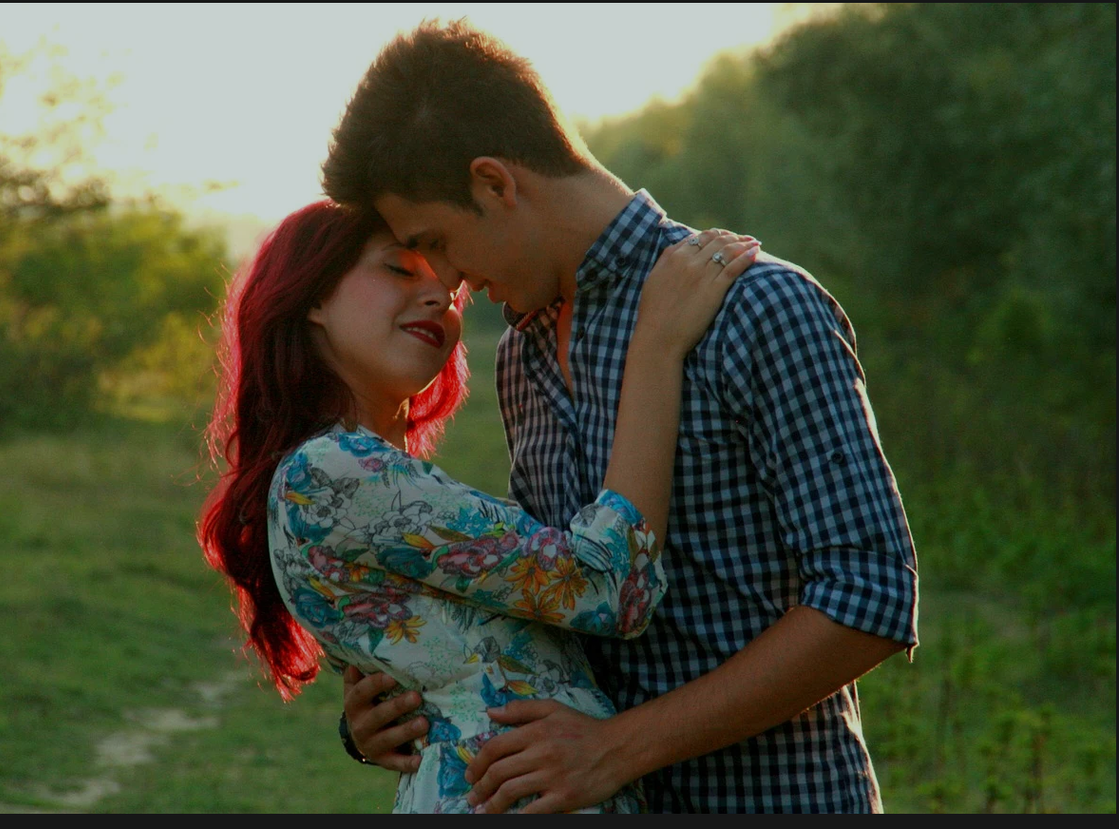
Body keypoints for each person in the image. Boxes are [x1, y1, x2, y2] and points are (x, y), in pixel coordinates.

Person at [322, 21, 920, 813]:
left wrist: (618, 747)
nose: (448, 280)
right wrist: (390, 708)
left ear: (495, 184)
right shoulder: (523, 357)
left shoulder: (756, 307)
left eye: (437, 241)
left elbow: (870, 596)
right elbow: (556, 608)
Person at [197, 198, 759, 812]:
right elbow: (606, 585)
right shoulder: (333, 470)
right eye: (399, 269)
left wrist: (367, 727)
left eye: (451, 292)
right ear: (313, 297)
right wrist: (657, 345)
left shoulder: (338, 471)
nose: (438, 299)